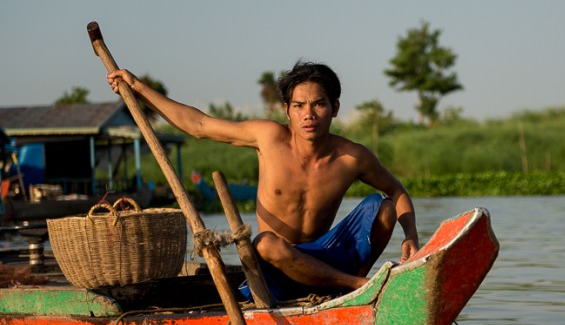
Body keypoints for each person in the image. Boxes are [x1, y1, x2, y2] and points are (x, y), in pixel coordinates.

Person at [107, 61, 419, 300]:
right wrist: (138, 87)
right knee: (266, 243)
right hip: (275, 268)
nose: (308, 114)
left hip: (325, 259)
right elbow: (199, 124)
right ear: (287, 111)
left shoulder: (352, 157)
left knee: (385, 207)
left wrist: (411, 237)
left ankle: (346, 287)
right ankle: (358, 286)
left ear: (334, 108)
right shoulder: (268, 137)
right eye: (299, 106)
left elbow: (397, 190)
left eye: (318, 104)